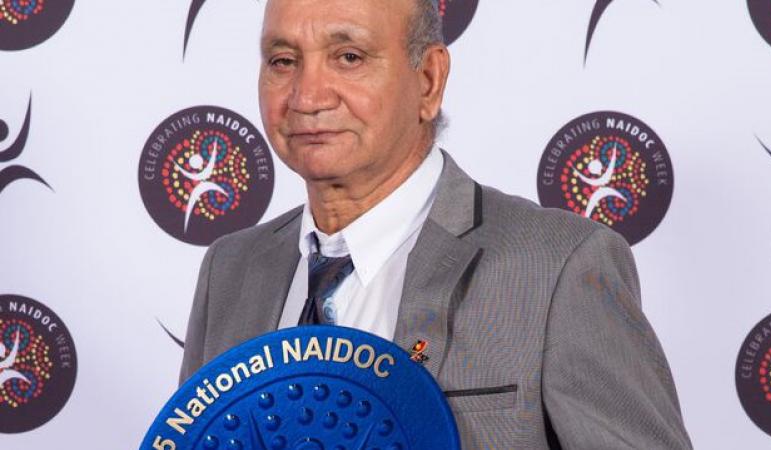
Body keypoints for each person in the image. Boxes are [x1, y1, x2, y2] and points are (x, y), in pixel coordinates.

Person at [180, 0, 693, 448]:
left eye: (349, 57)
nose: (308, 96)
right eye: (284, 61)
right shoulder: (230, 270)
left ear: (429, 80)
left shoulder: (559, 266)